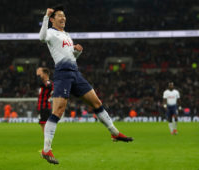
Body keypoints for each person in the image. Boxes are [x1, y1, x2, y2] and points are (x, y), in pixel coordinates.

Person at [39, 6, 133, 164]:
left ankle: (114, 132)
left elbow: (70, 57)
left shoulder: (66, 35)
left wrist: (77, 52)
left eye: (64, 16)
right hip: (62, 73)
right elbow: (41, 38)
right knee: (58, 111)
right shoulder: (50, 32)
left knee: (96, 102)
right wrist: (46, 17)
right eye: (60, 16)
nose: (63, 18)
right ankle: (46, 149)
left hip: (75, 73)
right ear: (53, 19)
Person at [36, 67, 54, 133]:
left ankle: (47, 140)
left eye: (41, 74)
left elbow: (41, 84)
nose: (40, 76)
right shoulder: (45, 84)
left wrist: (38, 75)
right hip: (41, 106)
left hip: (45, 107)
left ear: (45, 74)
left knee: (45, 124)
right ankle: (47, 140)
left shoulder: (49, 83)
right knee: (42, 124)